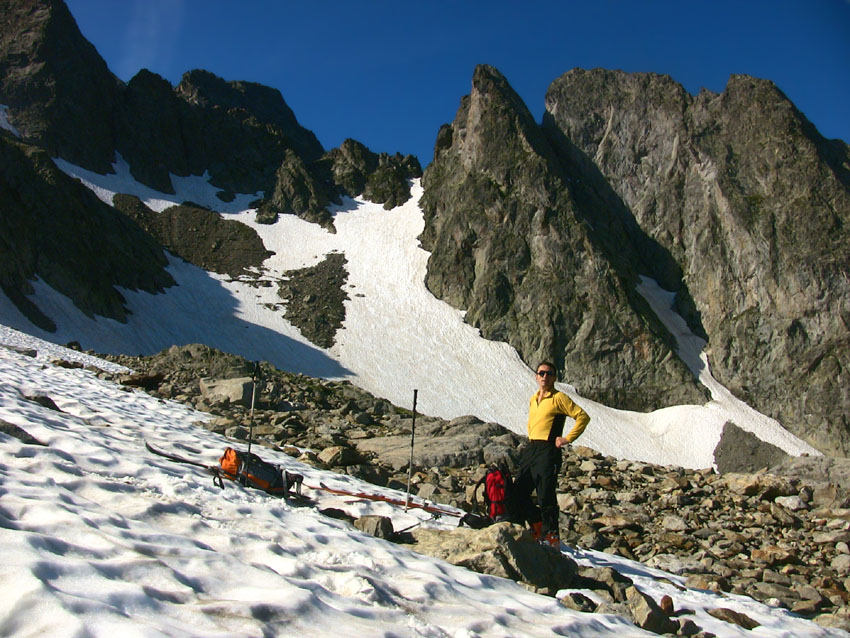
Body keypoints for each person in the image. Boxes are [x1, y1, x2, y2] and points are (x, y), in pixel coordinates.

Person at [514, 360, 590, 548]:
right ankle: (536, 524)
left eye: (549, 374)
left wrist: (567, 438)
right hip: (532, 448)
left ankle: (551, 536)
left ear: (555, 378)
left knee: (545, 494)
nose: (544, 377)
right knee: (519, 491)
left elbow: (582, 416)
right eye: (541, 373)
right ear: (536, 376)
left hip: (548, 450)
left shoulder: (559, 398)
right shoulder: (534, 399)